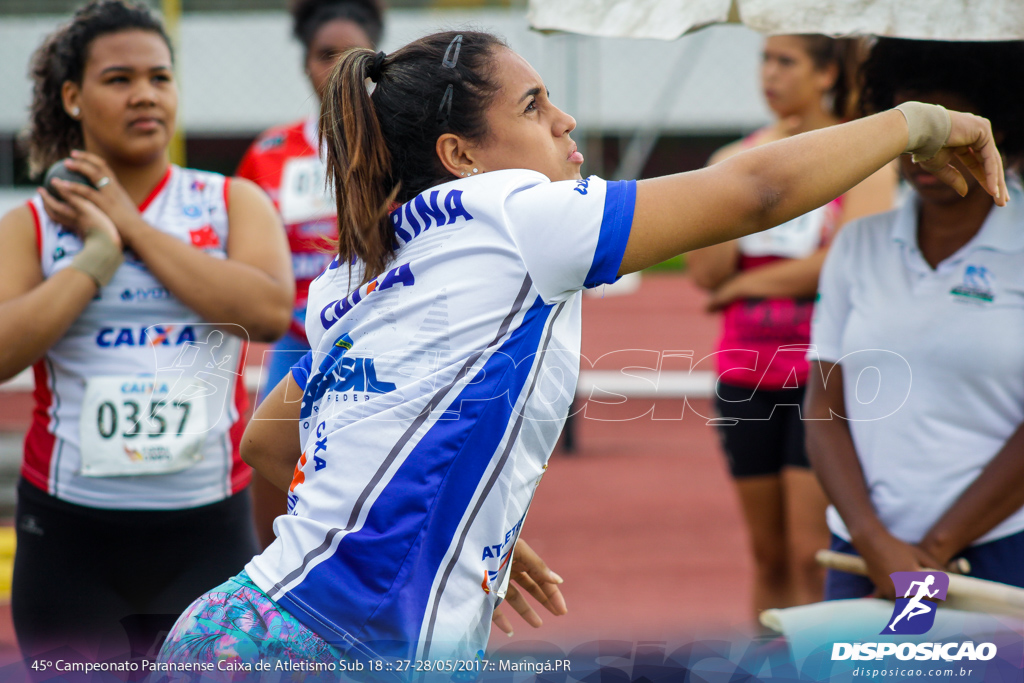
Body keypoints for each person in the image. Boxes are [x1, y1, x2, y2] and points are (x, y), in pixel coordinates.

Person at [158, 30, 1006, 666]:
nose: (563, 119)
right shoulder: (513, 212)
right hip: (339, 647)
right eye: (532, 107)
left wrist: (459, 510)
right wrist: (914, 123)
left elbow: (268, 441)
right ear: (461, 156)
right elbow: (757, 191)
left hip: (247, 625)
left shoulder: (360, 266)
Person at [0, 0, 294, 661]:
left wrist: (130, 227)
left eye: (160, 78)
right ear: (72, 97)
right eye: (120, 79)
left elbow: (268, 311)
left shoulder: (229, 202)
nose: (145, 95)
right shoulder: (35, 225)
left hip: (208, 534)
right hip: (69, 540)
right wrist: (95, 260)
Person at [805, 39, 1024, 600]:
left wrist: (932, 551)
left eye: (946, 133)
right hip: (864, 557)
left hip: (1000, 552)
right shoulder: (859, 244)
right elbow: (824, 406)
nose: (926, 155)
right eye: (913, 134)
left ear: (995, 130)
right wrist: (874, 542)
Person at [688, 35, 896, 617]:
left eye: (787, 61)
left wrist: (750, 284)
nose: (770, 74)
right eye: (764, 59)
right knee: (769, 554)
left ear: (827, 74)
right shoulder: (738, 158)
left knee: (811, 555)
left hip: (822, 376)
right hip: (745, 373)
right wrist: (738, 187)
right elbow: (707, 272)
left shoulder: (861, 157)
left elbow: (842, 263)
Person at [235, 0, 384, 550]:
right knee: (270, 465)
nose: (337, 67)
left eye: (352, 55)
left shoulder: (403, 146)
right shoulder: (269, 153)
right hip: (298, 346)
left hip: (379, 341)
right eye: (326, 55)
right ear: (305, 64)